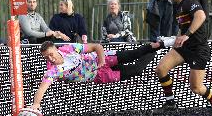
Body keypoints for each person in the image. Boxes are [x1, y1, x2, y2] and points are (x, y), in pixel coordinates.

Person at [30, 36, 176, 110]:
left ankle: (161, 43)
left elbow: (97, 46)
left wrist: (100, 61)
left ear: (56, 49)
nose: (50, 58)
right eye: (46, 57)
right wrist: (36, 104)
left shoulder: (69, 48)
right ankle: (157, 48)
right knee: (137, 70)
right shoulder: (52, 71)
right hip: (99, 75)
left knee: (135, 53)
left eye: (51, 54)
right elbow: (43, 87)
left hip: (104, 59)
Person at [154, 0, 212, 116]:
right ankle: (171, 103)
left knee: (196, 88)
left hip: (198, 49)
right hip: (184, 47)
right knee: (161, 69)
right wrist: (176, 39)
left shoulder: (189, 1)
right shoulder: (177, 6)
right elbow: (183, 28)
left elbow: (201, 16)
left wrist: (186, 35)